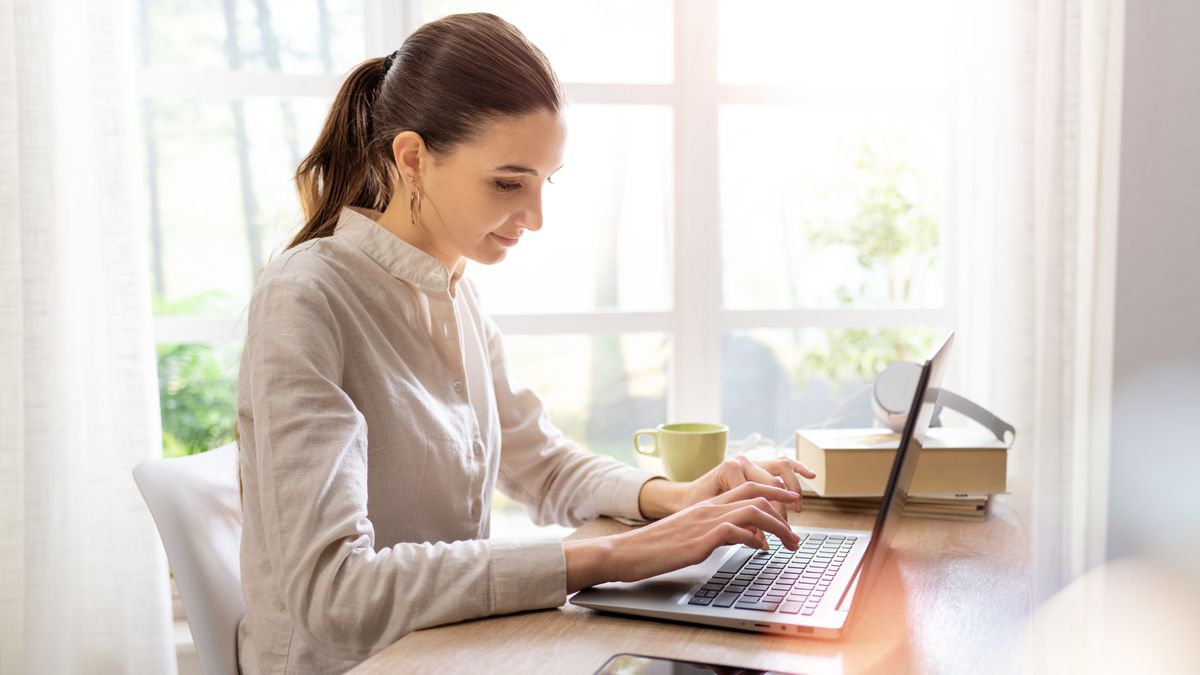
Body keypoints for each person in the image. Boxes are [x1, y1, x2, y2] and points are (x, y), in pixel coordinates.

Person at [235, 12, 816, 674]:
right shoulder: (306, 297)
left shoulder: (453, 285)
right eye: (509, 182)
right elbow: (336, 594)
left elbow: (539, 461)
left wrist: (677, 498)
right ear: (413, 158)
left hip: (454, 652)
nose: (536, 217)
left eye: (546, 180)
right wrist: (619, 555)